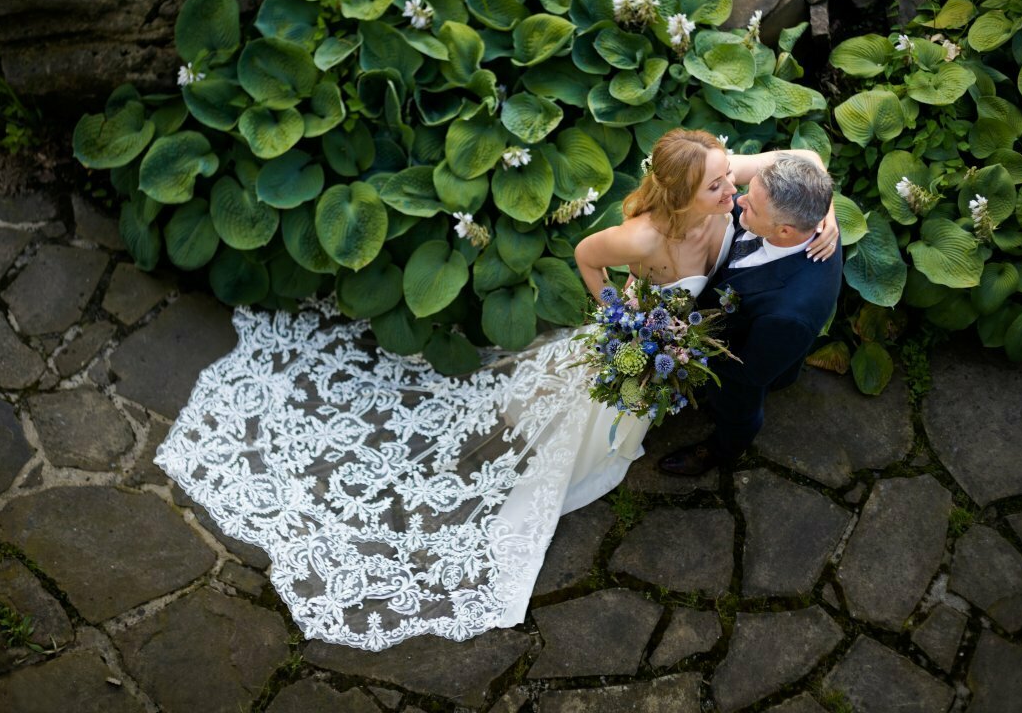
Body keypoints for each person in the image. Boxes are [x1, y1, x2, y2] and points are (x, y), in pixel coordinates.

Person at [154, 128, 837, 652]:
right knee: (580, 411)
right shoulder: (648, 233)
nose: (736, 190)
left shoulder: (738, 192)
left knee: (620, 417)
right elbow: (587, 258)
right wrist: (620, 323)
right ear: (692, 194)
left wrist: (822, 219)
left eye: (736, 184)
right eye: (725, 186)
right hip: (644, 338)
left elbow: (800, 158)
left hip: (683, 339)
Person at [658, 149, 842, 476]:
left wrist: (684, 347)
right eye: (750, 192)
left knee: (736, 408)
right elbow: (812, 158)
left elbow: (750, 373)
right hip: (731, 320)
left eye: (752, 206)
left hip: (745, 360)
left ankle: (721, 452)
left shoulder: (789, 313)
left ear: (785, 231)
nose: (739, 200)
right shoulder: (805, 212)